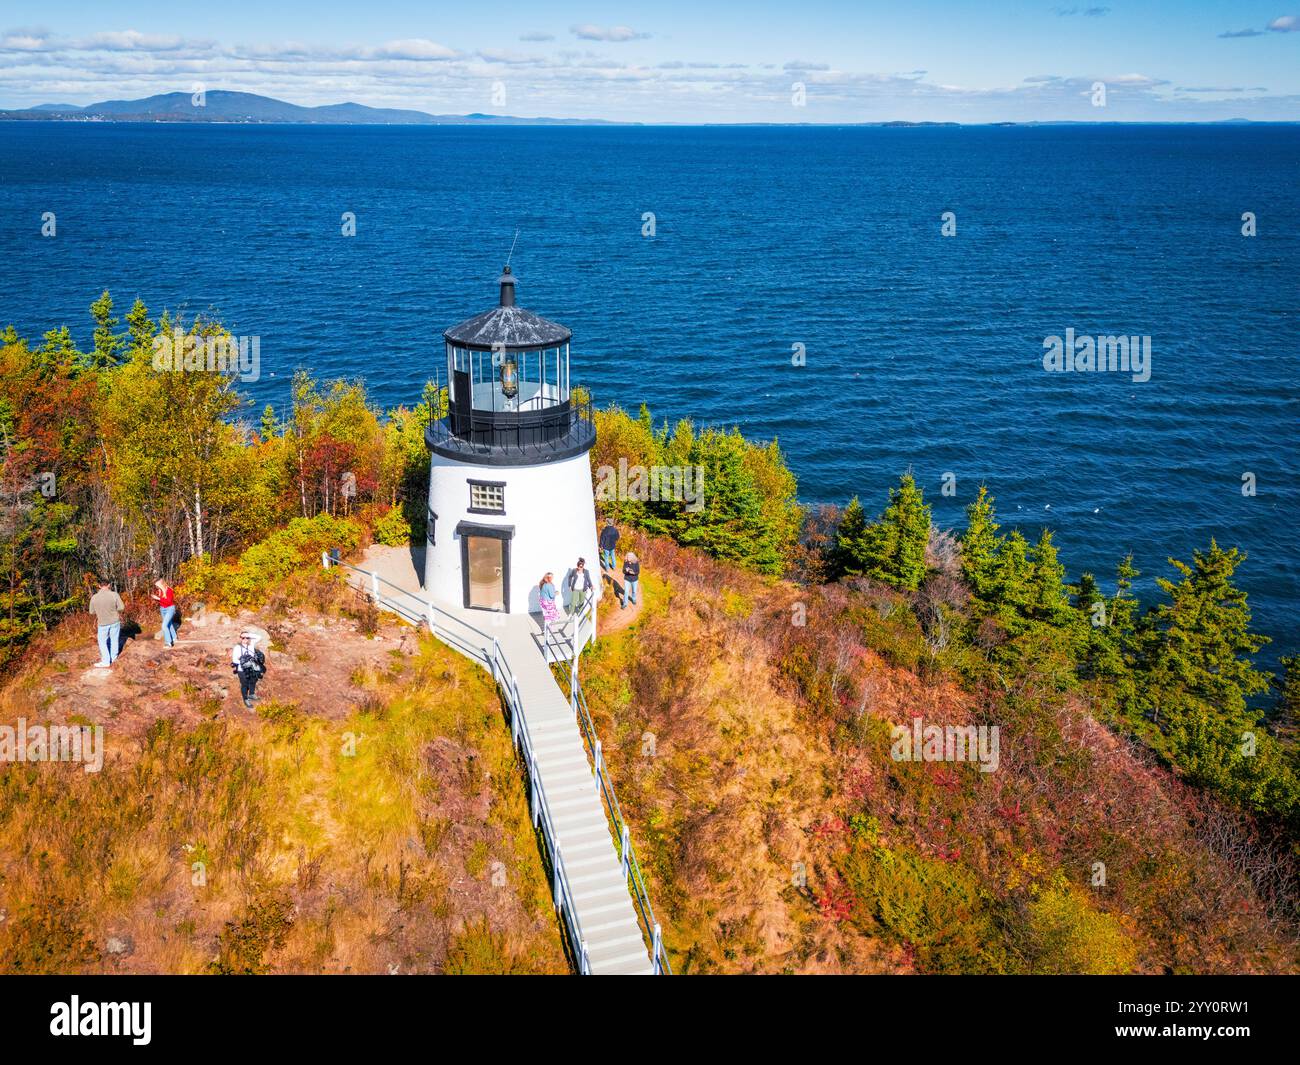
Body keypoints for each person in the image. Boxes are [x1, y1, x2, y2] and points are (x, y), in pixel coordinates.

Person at [89, 580, 125, 668]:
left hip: (102, 623)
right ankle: (113, 658)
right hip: (114, 621)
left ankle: (106, 661)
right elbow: (121, 607)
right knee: (114, 639)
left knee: (102, 642)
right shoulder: (114, 595)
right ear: (109, 585)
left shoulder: (94, 597)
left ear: (99, 586)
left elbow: (91, 612)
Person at [231, 632, 266, 709]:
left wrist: (248, 635)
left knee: (253, 680)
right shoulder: (237, 647)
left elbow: (259, 637)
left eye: (247, 638)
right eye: (243, 638)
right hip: (242, 669)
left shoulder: (251, 645)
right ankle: (245, 699)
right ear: (240, 638)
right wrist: (245, 662)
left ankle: (251, 694)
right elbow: (234, 660)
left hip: (252, 668)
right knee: (245, 684)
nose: (245, 639)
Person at [151, 578, 178, 648]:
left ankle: (168, 643)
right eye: (156, 586)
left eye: (157, 585)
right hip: (162, 609)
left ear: (161, 584)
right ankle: (174, 637)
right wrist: (156, 598)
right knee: (169, 624)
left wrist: (158, 598)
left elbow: (168, 602)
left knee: (164, 625)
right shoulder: (160, 591)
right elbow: (162, 602)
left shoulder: (169, 590)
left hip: (170, 609)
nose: (156, 587)